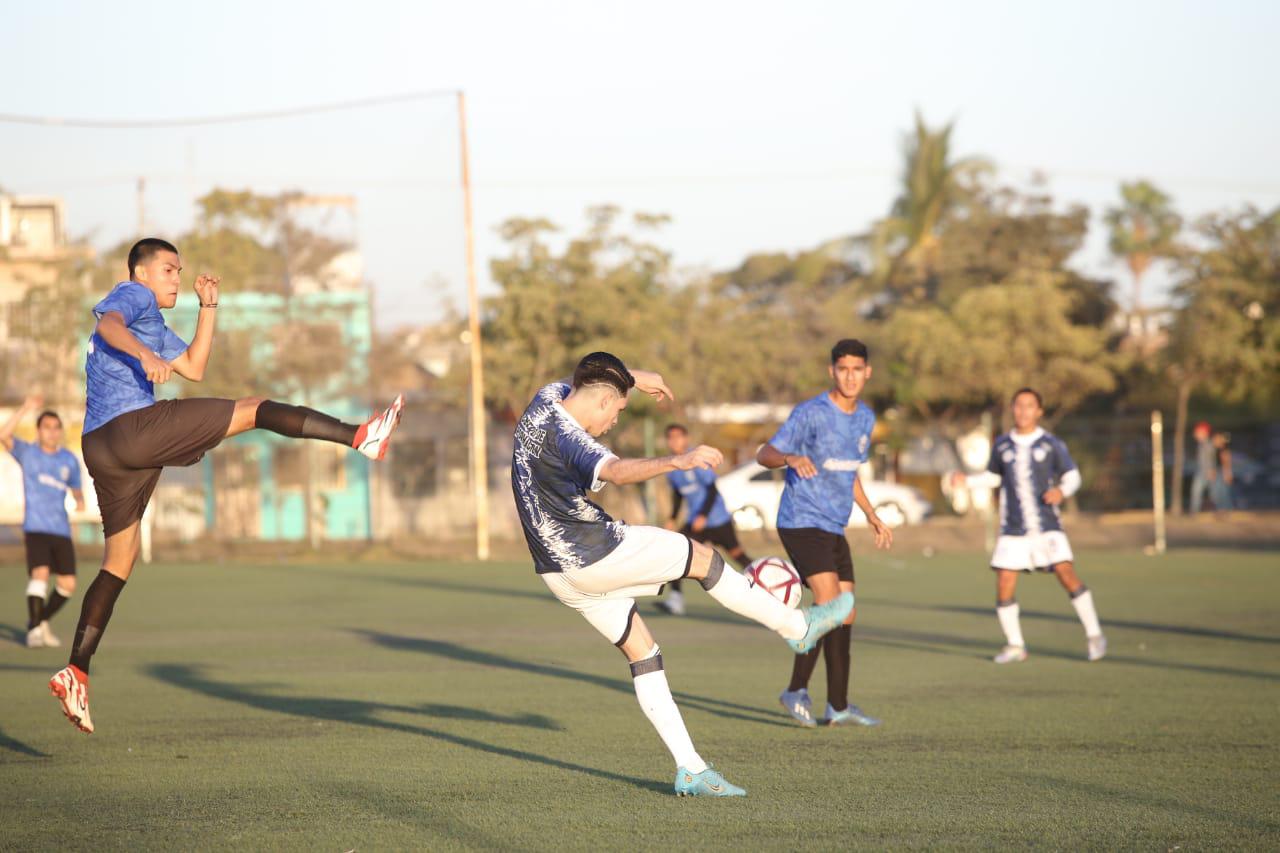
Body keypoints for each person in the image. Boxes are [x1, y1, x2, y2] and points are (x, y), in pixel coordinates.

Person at [49, 238, 404, 734]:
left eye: (179, 271)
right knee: (256, 408)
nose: (176, 278)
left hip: (101, 446)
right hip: (131, 430)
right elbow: (109, 326)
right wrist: (143, 357)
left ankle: (77, 670)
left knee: (119, 560)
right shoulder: (134, 295)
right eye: (169, 270)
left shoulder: (152, 319)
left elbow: (193, 367)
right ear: (142, 273)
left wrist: (209, 307)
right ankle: (362, 436)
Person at [512, 352, 853, 796]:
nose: (615, 420)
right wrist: (678, 461)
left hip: (557, 575)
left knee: (644, 652)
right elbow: (616, 470)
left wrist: (633, 378)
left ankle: (690, 769)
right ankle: (797, 626)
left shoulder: (547, 398)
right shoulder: (573, 439)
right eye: (617, 410)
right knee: (700, 556)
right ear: (601, 402)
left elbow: (591, 380)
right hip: (594, 553)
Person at [757, 339, 892, 728]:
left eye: (857, 369)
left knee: (845, 613)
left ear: (867, 372)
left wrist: (871, 513)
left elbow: (850, 472)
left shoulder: (865, 418)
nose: (850, 376)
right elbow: (763, 453)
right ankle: (796, 690)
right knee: (831, 604)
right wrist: (789, 457)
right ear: (832, 371)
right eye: (842, 368)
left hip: (834, 525)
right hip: (801, 521)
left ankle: (838, 705)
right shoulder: (811, 414)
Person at [955, 388, 1106, 664]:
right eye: (1019, 406)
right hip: (1013, 528)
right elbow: (993, 478)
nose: (1023, 411)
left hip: (1047, 525)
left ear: (1039, 411)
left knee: (1065, 573)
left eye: (1030, 406)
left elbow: (1073, 476)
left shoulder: (1051, 443)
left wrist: (1062, 491)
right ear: (1012, 409)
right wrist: (966, 480)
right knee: (1004, 580)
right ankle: (1015, 645)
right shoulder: (1002, 444)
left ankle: (1094, 635)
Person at [1, 395, 86, 648]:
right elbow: (4, 435)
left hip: (60, 528)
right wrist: (25, 408)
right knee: (40, 574)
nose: (52, 432)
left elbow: (76, 488)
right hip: (36, 526)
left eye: (56, 427)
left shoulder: (68, 460)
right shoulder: (28, 453)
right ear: (38, 431)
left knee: (68, 584)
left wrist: (79, 499)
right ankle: (35, 631)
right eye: (47, 427)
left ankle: (38, 621)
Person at [656, 423, 753, 616]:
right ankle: (676, 601)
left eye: (678, 436)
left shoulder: (696, 458)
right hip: (695, 522)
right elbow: (678, 494)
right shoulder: (673, 464)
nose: (674, 441)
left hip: (717, 519)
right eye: (671, 437)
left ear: (686, 438)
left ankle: (770, 584)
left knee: (737, 555)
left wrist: (703, 515)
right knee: (677, 552)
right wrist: (672, 518)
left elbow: (711, 488)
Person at [1189, 421, 1216, 514]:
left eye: (1198, 432)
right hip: (1202, 471)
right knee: (1197, 492)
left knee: (1213, 493)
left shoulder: (1208, 444)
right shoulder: (1201, 444)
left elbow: (1211, 459)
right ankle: (1194, 511)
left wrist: (1211, 470)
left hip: (1206, 472)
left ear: (1204, 433)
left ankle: (1221, 510)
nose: (1195, 434)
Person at [1212, 431, 1234, 511]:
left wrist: (1228, 474)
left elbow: (1227, 463)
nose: (1214, 441)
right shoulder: (1214, 449)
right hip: (1217, 472)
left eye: (1216, 439)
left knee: (1224, 493)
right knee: (1217, 493)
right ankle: (1221, 509)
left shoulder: (1224, 450)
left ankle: (1227, 509)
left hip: (1222, 472)